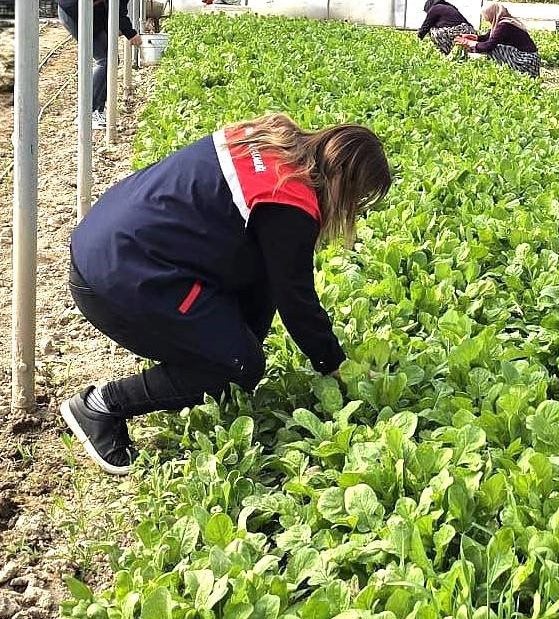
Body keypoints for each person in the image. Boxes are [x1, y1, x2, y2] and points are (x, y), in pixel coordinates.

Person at [61, 113, 393, 474]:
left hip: (106, 241)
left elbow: (266, 279)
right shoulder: (290, 199)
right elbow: (295, 299)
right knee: (236, 367)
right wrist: (335, 365)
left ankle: (215, 366)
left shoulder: (270, 137)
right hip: (118, 278)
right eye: (358, 199)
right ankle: (101, 405)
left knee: (238, 353)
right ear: (343, 180)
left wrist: (242, 342)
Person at [56, 0, 175, 130]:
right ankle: (88, 114)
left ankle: (95, 110)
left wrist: (120, 26)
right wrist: (130, 32)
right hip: (76, 9)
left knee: (109, 58)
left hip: (93, 11)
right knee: (105, 59)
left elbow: (116, 1)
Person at [471, 3, 541, 78]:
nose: (490, 22)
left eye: (489, 19)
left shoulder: (504, 26)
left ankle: (517, 71)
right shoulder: (508, 21)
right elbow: (488, 37)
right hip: (532, 58)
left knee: (495, 49)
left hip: (526, 60)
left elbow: (489, 45)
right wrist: (476, 38)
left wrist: (472, 44)